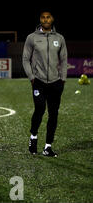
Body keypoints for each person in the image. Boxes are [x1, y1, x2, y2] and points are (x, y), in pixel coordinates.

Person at [22, 11, 67, 157]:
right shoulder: (32, 38)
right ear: (40, 19)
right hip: (38, 82)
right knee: (40, 109)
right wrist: (31, 77)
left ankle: (48, 146)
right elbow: (25, 59)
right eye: (43, 17)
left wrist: (63, 79)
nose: (45, 19)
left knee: (53, 114)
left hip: (56, 82)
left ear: (52, 19)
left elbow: (64, 60)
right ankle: (33, 136)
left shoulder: (59, 38)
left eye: (48, 17)